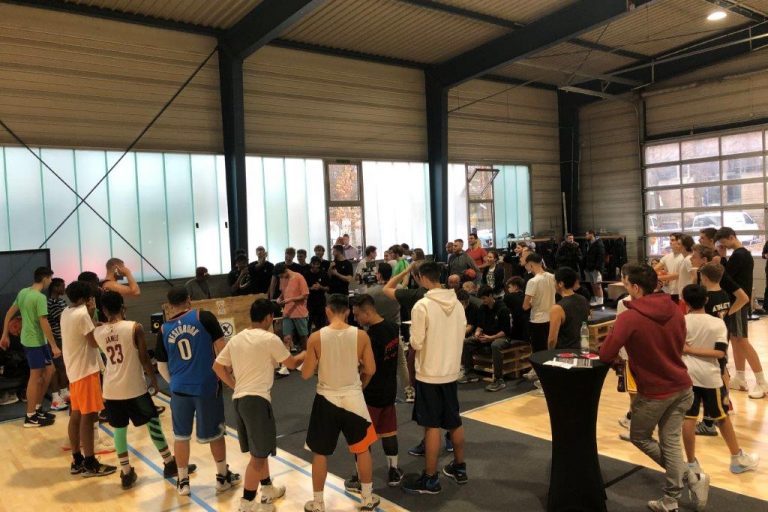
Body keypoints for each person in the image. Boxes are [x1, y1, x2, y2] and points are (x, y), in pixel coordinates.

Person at [599, 264, 700, 512]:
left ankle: (687, 478)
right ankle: (673, 497)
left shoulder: (629, 317)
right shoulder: (675, 309)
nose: (624, 288)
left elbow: (605, 354)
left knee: (640, 437)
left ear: (635, 287)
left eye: (625, 283)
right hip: (682, 386)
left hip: (655, 392)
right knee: (670, 443)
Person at [213, 299, 305, 512]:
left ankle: (268, 488)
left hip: (240, 400)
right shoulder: (269, 338)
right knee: (258, 456)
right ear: (268, 318)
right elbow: (291, 364)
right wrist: (307, 353)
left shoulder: (237, 338)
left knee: (259, 450)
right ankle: (246, 502)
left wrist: (234, 385)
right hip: (256, 401)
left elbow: (217, 367)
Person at [94, 291, 189, 488]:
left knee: (119, 430)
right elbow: (144, 358)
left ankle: (126, 472)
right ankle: (168, 462)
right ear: (123, 307)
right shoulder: (134, 327)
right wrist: (154, 380)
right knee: (153, 422)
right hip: (134, 387)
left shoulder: (97, 332)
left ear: (103, 310)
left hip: (110, 389)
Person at [155, 287, 240, 496]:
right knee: (216, 434)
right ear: (189, 300)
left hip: (179, 390)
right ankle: (222, 477)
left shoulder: (164, 329)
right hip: (206, 386)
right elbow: (223, 350)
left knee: (180, 436)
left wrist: (175, 382)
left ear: (170, 305)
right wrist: (230, 376)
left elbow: (161, 366)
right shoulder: (204, 317)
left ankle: (183, 482)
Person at [301, 294, 379, 512]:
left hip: (326, 399)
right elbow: (371, 369)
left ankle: (318, 503)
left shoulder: (315, 337)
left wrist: (309, 359)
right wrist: (359, 385)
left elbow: (305, 374)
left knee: (320, 453)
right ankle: (367, 498)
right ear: (347, 311)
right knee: (362, 449)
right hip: (353, 398)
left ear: (327, 310)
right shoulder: (361, 335)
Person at [679, 284, 759, 484]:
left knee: (688, 418)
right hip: (710, 378)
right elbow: (720, 353)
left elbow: (678, 348)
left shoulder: (681, 321)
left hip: (687, 376)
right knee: (722, 418)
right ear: (706, 300)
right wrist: (693, 351)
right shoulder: (717, 323)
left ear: (685, 301)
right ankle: (737, 459)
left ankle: (691, 463)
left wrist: (688, 351)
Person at [401, 262, 467, 495]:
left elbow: (416, 342)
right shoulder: (457, 303)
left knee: (431, 425)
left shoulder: (422, 305)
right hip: (451, 370)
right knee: (453, 421)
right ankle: (459, 467)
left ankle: (430, 478)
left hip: (429, 372)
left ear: (420, 277)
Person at [344, 295, 404, 493]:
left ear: (368, 312)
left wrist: (359, 388)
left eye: (357, 315)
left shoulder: (370, 337)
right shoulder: (393, 327)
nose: (356, 319)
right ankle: (394, 471)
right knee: (389, 431)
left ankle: (360, 478)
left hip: (371, 394)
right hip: (389, 390)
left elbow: (367, 369)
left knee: (362, 437)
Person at [61, 280, 116, 477]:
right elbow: (93, 343)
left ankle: (77, 459)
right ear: (85, 299)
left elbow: (84, 333)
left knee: (76, 414)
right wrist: (102, 328)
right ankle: (90, 462)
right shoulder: (82, 314)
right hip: (86, 370)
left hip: (74, 370)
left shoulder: (66, 312)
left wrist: (93, 323)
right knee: (89, 415)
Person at [0, 266, 59, 427]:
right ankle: (30, 416)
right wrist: (54, 346)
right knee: (35, 377)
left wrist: (5, 334)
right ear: (45, 278)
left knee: (50, 370)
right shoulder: (39, 297)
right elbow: (44, 322)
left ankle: (37, 408)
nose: (50, 282)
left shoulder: (23, 292)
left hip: (37, 341)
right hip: (34, 342)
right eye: (50, 279)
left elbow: (9, 313)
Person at [715, 227, 767, 398]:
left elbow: (725, 277)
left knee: (742, 341)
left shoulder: (739, 255)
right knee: (736, 340)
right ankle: (740, 377)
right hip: (736, 302)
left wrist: (722, 258)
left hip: (738, 303)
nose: (723, 245)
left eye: (724, 242)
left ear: (731, 237)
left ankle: (762, 382)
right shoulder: (741, 254)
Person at [459, 285, 512, 392]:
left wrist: (491, 338)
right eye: (481, 299)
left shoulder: (503, 309)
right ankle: (470, 373)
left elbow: (505, 331)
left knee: (495, 345)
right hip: (486, 335)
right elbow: (480, 325)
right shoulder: (482, 308)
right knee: (467, 342)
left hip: (502, 337)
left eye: (484, 298)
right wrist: (477, 333)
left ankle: (499, 379)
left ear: (491, 296)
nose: (483, 301)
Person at [275, 263, 310, 372]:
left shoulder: (299, 277)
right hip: (287, 312)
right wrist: (279, 298)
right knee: (286, 338)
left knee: (303, 337)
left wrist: (291, 299)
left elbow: (305, 295)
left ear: (286, 270)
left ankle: (306, 361)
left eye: (281, 275)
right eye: (280, 276)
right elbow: (283, 292)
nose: (281, 278)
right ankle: (286, 365)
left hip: (300, 312)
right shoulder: (282, 279)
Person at [547, 267, 590, 350]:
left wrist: (550, 353)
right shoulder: (583, 299)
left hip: (564, 352)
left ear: (560, 284)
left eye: (554, 281)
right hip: (582, 348)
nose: (554, 284)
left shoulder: (557, 308)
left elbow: (552, 340)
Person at [523, 253, 556, 354]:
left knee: (539, 352)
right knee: (551, 349)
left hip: (537, 320)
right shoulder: (552, 276)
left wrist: (533, 302)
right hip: (552, 317)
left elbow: (525, 306)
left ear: (530, 264)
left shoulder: (532, 281)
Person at [47, 277, 69, 411]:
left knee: (64, 367)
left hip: (64, 338)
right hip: (56, 339)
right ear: (55, 287)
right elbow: (62, 319)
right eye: (62, 286)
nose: (64, 288)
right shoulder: (51, 303)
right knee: (57, 368)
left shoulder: (61, 301)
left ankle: (64, 392)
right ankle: (56, 397)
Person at [654, 233, 685, 302]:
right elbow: (654, 269)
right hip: (670, 291)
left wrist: (657, 278)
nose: (670, 242)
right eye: (670, 240)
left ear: (679, 242)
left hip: (681, 292)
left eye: (673, 240)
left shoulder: (684, 256)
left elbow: (677, 275)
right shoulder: (667, 256)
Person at [305, 256, 330, 332]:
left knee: (321, 324)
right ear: (310, 264)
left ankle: (322, 337)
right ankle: (308, 337)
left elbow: (328, 288)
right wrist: (311, 288)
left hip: (321, 302)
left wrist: (320, 287)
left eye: (317, 264)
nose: (315, 266)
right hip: (309, 302)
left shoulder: (323, 274)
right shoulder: (306, 274)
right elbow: (302, 289)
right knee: (308, 323)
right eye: (313, 264)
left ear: (319, 265)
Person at [503, 277, 529, 342]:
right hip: (527, 330)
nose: (508, 289)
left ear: (515, 287)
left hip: (515, 330)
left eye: (509, 287)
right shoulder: (526, 297)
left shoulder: (508, 297)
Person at [583, 230, 605, 305]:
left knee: (598, 285)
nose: (586, 236)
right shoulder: (588, 243)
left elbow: (601, 256)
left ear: (591, 234)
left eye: (587, 234)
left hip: (596, 268)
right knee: (592, 285)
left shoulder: (599, 243)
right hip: (589, 268)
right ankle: (597, 300)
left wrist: (597, 268)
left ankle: (601, 302)